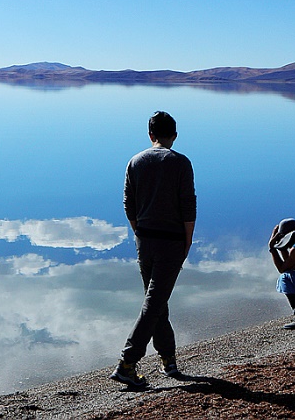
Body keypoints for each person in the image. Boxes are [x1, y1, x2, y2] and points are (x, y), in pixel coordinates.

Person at [110, 111, 196, 389]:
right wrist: (187, 241)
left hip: (144, 241)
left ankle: (168, 359)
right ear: (174, 136)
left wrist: (139, 232)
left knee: (156, 302)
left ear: (150, 135)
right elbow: (188, 206)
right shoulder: (181, 162)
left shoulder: (135, 161)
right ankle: (127, 362)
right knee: (154, 303)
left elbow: (128, 205)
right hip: (171, 241)